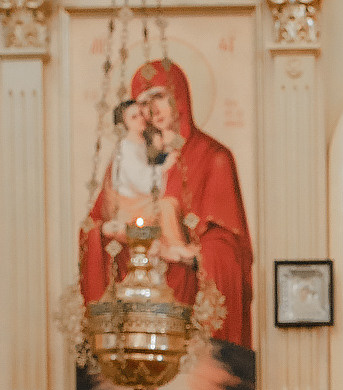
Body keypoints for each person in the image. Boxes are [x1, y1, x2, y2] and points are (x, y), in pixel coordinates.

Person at [80, 59, 254, 353]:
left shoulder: (214, 158)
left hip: (188, 308)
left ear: (179, 97)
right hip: (137, 311)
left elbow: (230, 249)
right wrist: (115, 234)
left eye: (159, 97)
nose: (152, 111)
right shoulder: (126, 161)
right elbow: (94, 225)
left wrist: (187, 254)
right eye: (142, 104)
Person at [102, 99, 186, 256]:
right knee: (167, 206)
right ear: (124, 124)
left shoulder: (141, 143)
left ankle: (173, 246)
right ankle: (174, 246)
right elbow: (143, 183)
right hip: (130, 206)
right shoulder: (125, 148)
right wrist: (165, 167)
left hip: (141, 201)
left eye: (141, 114)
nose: (141, 118)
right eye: (134, 117)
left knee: (170, 204)